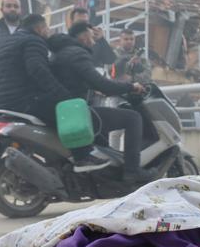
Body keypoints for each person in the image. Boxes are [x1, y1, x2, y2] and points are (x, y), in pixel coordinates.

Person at [0, 14, 109, 172]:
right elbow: (39, 71)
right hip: (26, 100)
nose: (48, 32)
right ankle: (83, 157)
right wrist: (63, 95)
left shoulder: (8, 43)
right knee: (73, 115)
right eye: (47, 28)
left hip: (2, 101)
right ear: (39, 28)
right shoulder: (34, 41)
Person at [49, 22, 149, 179]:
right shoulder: (77, 54)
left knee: (103, 137)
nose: (94, 41)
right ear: (83, 36)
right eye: (92, 36)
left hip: (66, 110)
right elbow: (103, 84)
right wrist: (131, 87)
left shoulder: (61, 53)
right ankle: (132, 170)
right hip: (77, 112)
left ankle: (104, 174)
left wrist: (95, 87)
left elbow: (78, 80)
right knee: (133, 118)